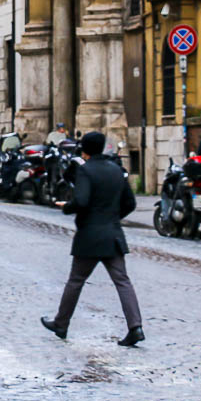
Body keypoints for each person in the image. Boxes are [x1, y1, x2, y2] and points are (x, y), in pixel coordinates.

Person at [42, 131, 144, 347]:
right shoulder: (117, 170)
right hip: (113, 234)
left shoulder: (85, 171)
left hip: (90, 235)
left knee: (76, 280)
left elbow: (81, 200)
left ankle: (61, 323)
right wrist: (113, 218)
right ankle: (136, 326)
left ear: (84, 150)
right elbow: (130, 203)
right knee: (122, 281)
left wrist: (66, 207)